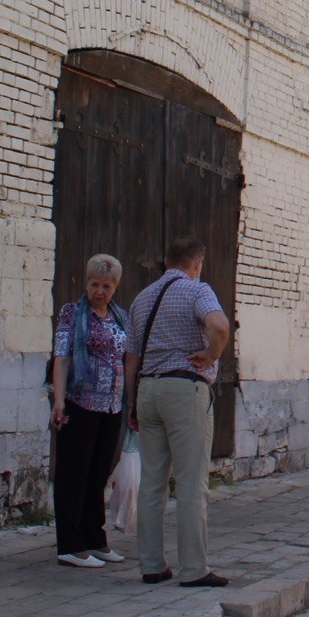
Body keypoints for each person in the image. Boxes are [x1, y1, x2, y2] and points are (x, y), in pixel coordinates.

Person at [124, 236, 231, 588]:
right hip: (184, 388)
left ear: (166, 261)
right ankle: (194, 569)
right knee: (190, 482)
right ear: (197, 263)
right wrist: (212, 356)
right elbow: (219, 326)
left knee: (152, 481)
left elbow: (132, 358)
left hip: (148, 390)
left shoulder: (142, 299)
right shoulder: (196, 291)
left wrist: (132, 401)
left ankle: (152, 565)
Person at [50, 254, 130, 568]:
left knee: (98, 474)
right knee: (74, 474)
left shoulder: (119, 316)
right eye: (95, 284)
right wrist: (59, 400)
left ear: (115, 287)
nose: (100, 291)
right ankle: (70, 544)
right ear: (86, 283)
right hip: (79, 403)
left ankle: (94, 538)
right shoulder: (73, 313)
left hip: (111, 405)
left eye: (106, 286)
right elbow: (62, 357)